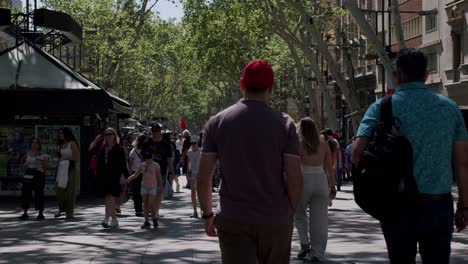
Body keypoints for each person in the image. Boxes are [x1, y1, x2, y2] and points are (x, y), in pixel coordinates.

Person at [352, 48, 468, 263]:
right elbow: (463, 162)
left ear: (397, 75)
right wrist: (464, 206)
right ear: (425, 75)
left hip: (396, 206)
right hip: (437, 206)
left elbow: (358, 152)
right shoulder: (450, 108)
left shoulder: (381, 107)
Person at [197, 60, 303, 264]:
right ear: (271, 89)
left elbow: (203, 178)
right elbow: (294, 176)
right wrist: (289, 211)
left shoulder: (217, 122)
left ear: (241, 84)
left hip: (233, 217)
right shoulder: (285, 124)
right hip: (275, 218)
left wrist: (207, 214)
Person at [295, 118, 335, 261]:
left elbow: (294, 165)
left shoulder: (299, 144)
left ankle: (305, 242)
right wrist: (332, 185)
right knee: (320, 219)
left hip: (304, 180)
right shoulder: (323, 143)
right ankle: (317, 252)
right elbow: (330, 168)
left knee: (299, 213)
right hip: (320, 180)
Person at [89, 127, 129, 228]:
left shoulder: (119, 149)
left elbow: (123, 164)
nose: (107, 136)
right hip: (103, 175)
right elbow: (90, 150)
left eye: (110, 134)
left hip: (114, 176)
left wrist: (125, 176)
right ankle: (111, 219)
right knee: (107, 198)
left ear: (114, 136)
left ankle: (110, 219)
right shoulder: (102, 147)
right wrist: (96, 140)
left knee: (110, 197)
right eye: (106, 134)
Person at [127, 149, 163, 229]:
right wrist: (127, 180)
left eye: (149, 158)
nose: (148, 160)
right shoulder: (142, 165)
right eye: (146, 158)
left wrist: (161, 187)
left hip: (153, 187)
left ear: (152, 157)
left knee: (150, 203)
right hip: (144, 187)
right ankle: (146, 221)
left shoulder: (156, 165)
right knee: (145, 205)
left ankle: (154, 218)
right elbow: (136, 175)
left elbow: (159, 176)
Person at [144, 124, 173, 218]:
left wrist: (171, 172)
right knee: (149, 192)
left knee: (159, 192)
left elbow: (169, 159)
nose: (155, 133)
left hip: (162, 172)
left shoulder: (166, 145)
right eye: (154, 131)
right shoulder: (147, 143)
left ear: (160, 132)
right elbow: (142, 158)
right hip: (148, 173)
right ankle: (152, 210)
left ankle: (155, 211)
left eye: (157, 131)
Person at [19, 138, 49, 220]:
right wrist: (24, 165)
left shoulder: (43, 154)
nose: (34, 145)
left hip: (39, 173)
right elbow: (23, 165)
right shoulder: (27, 153)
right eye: (33, 143)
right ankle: (25, 212)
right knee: (25, 192)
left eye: (36, 143)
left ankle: (40, 213)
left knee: (39, 193)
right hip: (29, 172)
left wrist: (42, 162)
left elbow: (46, 167)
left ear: (39, 145)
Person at [55, 128, 80, 219]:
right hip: (61, 168)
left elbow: (76, 157)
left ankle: (70, 211)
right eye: (59, 133)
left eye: (61, 133)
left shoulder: (72, 143)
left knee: (70, 190)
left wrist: (65, 159)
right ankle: (61, 208)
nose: (60, 135)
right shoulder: (60, 144)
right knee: (59, 189)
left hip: (71, 168)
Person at [129, 135, 146, 217]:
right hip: (145, 173)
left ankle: (138, 209)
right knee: (145, 191)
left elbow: (130, 163)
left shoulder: (133, 150)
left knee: (136, 192)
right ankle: (145, 208)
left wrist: (130, 173)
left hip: (135, 173)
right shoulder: (146, 150)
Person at [187, 137, 202, 218]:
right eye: (192, 143)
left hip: (200, 174)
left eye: (194, 143)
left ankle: (202, 210)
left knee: (200, 193)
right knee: (193, 192)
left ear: (197, 143)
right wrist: (187, 174)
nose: (193, 145)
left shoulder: (201, 151)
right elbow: (188, 163)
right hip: (193, 174)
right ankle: (195, 211)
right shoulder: (189, 152)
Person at [117, 135, 130, 214]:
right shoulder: (123, 149)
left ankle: (118, 205)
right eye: (123, 141)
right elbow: (126, 161)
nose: (125, 142)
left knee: (122, 189)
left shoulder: (124, 149)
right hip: (120, 171)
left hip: (122, 171)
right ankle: (117, 205)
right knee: (122, 189)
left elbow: (126, 161)